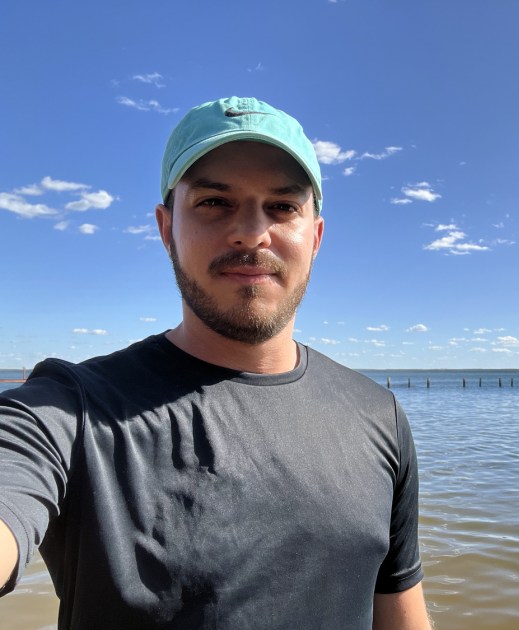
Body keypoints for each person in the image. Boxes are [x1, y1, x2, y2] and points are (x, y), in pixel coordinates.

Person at [0, 97, 432, 629]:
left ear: (315, 236)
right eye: (213, 203)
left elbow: (401, 614)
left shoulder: (379, 416)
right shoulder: (71, 409)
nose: (251, 233)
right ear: (166, 230)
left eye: (282, 206)